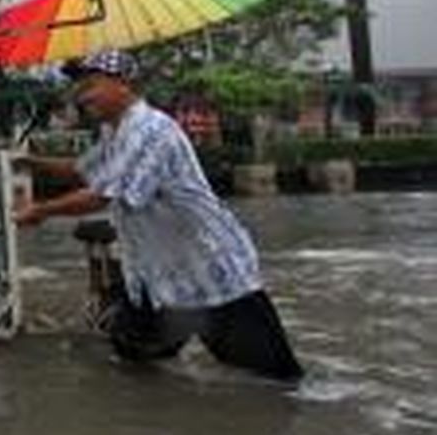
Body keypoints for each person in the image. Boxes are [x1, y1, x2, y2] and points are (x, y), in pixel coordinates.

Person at [16, 49, 304, 381]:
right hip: (157, 277)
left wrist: (40, 211)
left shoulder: (150, 131)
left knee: (275, 383)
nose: (82, 95)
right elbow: (83, 171)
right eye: (79, 87)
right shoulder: (116, 132)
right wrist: (24, 162)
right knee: (133, 363)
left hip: (210, 272)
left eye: (90, 85)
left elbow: (103, 194)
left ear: (123, 84)